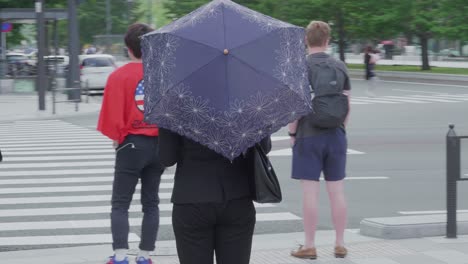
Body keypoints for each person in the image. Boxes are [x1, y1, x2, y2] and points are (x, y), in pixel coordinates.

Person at [97, 23, 164, 264]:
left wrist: (120, 136)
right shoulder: (161, 74)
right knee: (151, 202)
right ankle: (145, 256)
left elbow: (111, 119)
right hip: (159, 144)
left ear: (128, 48)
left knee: (120, 203)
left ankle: (121, 256)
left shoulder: (118, 76)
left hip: (131, 144)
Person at [158, 128, 271, 264]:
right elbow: (264, 147)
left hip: (191, 195)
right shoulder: (245, 106)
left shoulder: (175, 109)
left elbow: (167, 158)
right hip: (236, 194)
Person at [289, 21, 351, 260]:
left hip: (309, 135)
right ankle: (340, 243)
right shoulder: (340, 66)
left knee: (310, 193)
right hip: (336, 135)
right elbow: (347, 106)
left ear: (306, 40)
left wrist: (293, 134)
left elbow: (296, 109)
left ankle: (310, 245)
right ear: (328, 40)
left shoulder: (300, 67)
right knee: (337, 191)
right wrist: (339, 129)